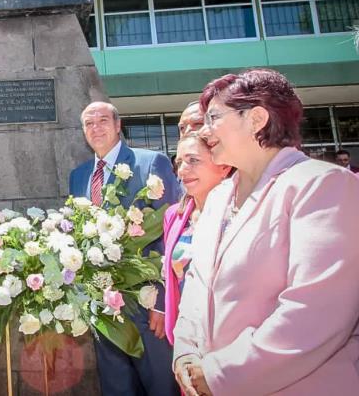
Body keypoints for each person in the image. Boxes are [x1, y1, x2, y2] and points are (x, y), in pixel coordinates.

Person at [173, 69, 359, 396]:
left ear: (256, 118)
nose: (204, 130)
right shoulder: (217, 199)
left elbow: (315, 314)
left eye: (214, 117)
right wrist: (186, 354)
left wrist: (218, 374)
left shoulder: (321, 185)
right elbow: (196, 284)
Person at [69, 101, 181, 396]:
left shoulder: (150, 163)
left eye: (103, 121)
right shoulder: (79, 176)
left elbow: (170, 232)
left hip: (146, 304)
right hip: (103, 307)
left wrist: (162, 301)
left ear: (118, 125)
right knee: (117, 388)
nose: (96, 128)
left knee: (161, 387)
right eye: (89, 124)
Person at [163, 131, 231, 345]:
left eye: (193, 160)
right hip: (189, 335)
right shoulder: (175, 216)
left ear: (224, 166)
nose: (183, 170)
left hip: (231, 335)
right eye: (179, 162)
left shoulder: (242, 213)